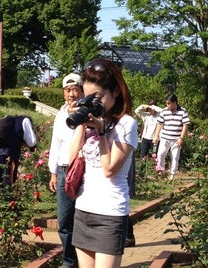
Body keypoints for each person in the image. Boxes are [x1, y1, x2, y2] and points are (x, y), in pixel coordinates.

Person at [68, 58, 138, 267]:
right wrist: (82, 123)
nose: (94, 102)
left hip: (110, 211)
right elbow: (70, 159)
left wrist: (100, 131)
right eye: (88, 97)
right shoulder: (93, 122)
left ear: (115, 92)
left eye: (98, 97)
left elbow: (109, 169)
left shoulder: (126, 124)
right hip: (84, 207)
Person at [48, 73, 85, 268]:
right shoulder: (61, 114)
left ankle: (87, 259)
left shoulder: (88, 112)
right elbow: (56, 144)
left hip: (84, 170)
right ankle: (69, 261)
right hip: (63, 170)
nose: (71, 94)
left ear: (82, 91)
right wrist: (53, 172)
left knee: (85, 217)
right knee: (64, 219)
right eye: (68, 90)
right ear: (63, 93)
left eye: (75, 89)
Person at [0, 116, 37, 186]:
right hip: (8, 156)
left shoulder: (8, 122)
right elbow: (32, 142)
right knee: (8, 185)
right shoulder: (25, 120)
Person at [153, 94, 191, 180]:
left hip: (176, 139)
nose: (167, 105)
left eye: (169, 103)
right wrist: (156, 136)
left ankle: (172, 175)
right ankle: (161, 171)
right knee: (160, 154)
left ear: (175, 103)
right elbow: (159, 123)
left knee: (174, 157)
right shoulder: (164, 111)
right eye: (166, 103)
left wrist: (181, 138)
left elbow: (185, 125)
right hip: (165, 138)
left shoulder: (182, 111)